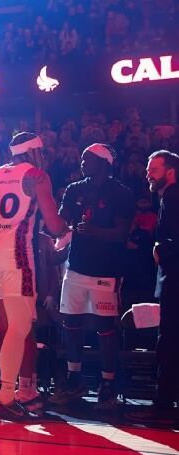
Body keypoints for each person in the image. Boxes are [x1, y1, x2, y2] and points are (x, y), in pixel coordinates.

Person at [0, 132, 68, 420]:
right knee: (20, 328)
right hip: (18, 255)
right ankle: (7, 395)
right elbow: (54, 223)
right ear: (33, 151)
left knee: (4, 323)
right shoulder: (36, 175)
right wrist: (67, 231)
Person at [50, 144, 134, 410]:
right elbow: (60, 222)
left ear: (104, 162)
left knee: (105, 329)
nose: (82, 162)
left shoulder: (121, 193)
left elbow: (121, 233)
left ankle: (107, 385)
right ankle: (74, 380)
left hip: (106, 272)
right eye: (82, 158)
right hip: (75, 268)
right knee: (70, 324)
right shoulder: (75, 189)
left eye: (88, 159)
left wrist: (95, 231)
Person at [128, 150, 179, 424]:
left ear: (170, 171)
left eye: (154, 169)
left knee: (169, 341)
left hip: (175, 277)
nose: (148, 173)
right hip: (171, 275)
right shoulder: (166, 197)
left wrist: (164, 248)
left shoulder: (172, 196)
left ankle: (162, 406)